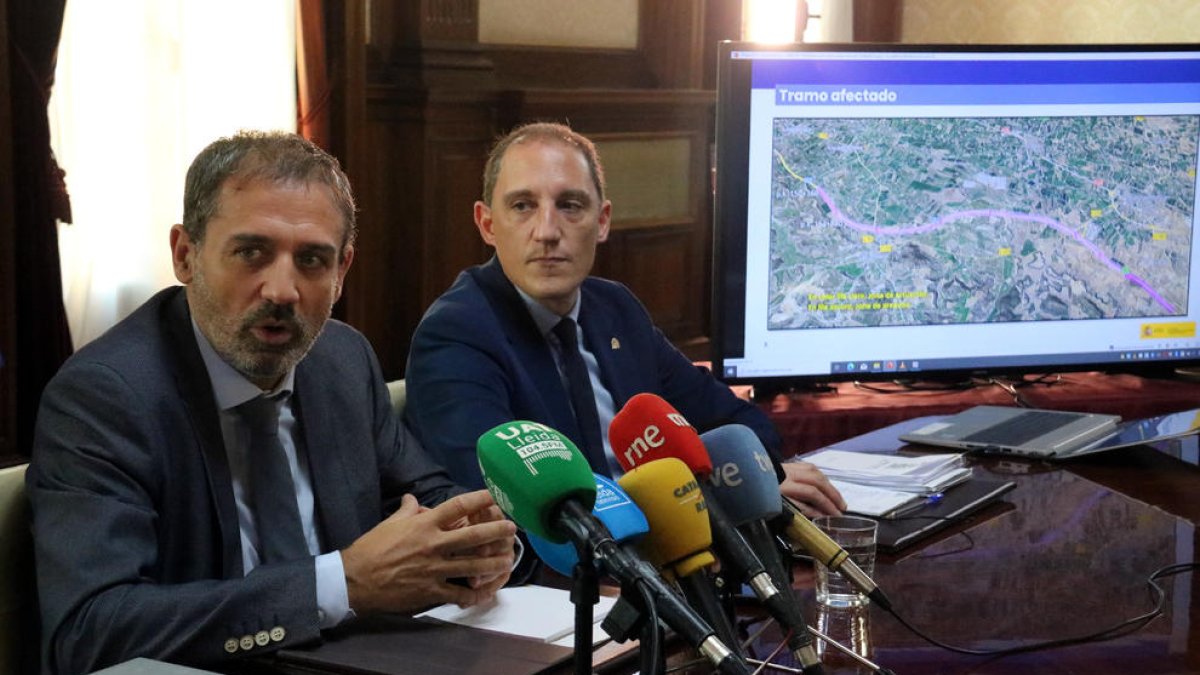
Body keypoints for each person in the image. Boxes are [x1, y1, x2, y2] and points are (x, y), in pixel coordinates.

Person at [26, 131, 517, 674]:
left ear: (341, 272)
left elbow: (432, 501)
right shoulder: (106, 396)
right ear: (186, 255)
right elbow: (90, 632)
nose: (282, 290)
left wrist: (480, 548)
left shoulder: (342, 360)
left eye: (311, 260)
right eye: (251, 252)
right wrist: (343, 583)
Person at [404, 121, 845, 516]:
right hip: (569, 589)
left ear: (602, 221)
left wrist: (761, 477)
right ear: (486, 224)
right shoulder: (456, 336)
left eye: (570, 205)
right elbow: (504, 511)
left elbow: (740, 424)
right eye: (522, 206)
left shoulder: (614, 309)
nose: (547, 231)